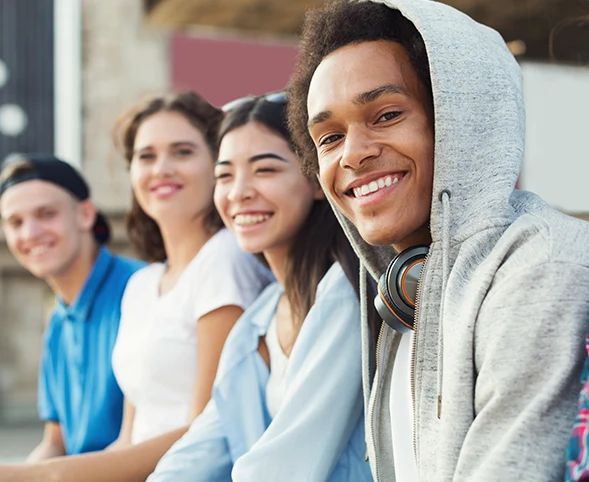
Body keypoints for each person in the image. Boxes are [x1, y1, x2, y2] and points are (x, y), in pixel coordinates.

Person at [287, 0, 589, 481]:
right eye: (329, 137)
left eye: (385, 115)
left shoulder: (543, 268)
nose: (353, 154)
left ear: (461, 119)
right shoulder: (404, 292)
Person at [0, 91, 272, 481]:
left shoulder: (225, 258)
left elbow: (206, 438)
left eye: (182, 152)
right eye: (146, 156)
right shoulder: (143, 285)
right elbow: (128, 438)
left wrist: (47, 476)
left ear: (217, 162)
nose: (161, 168)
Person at [146, 92, 374, 481]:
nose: (238, 193)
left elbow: (287, 464)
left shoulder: (345, 291)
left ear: (317, 180)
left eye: (265, 170)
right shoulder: (257, 321)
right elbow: (201, 449)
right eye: (224, 175)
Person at [0, 154, 144, 459]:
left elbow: (141, 447)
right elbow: (56, 444)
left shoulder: (142, 290)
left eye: (46, 213)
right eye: (15, 222)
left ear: (85, 215)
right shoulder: (57, 323)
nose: (30, 233)